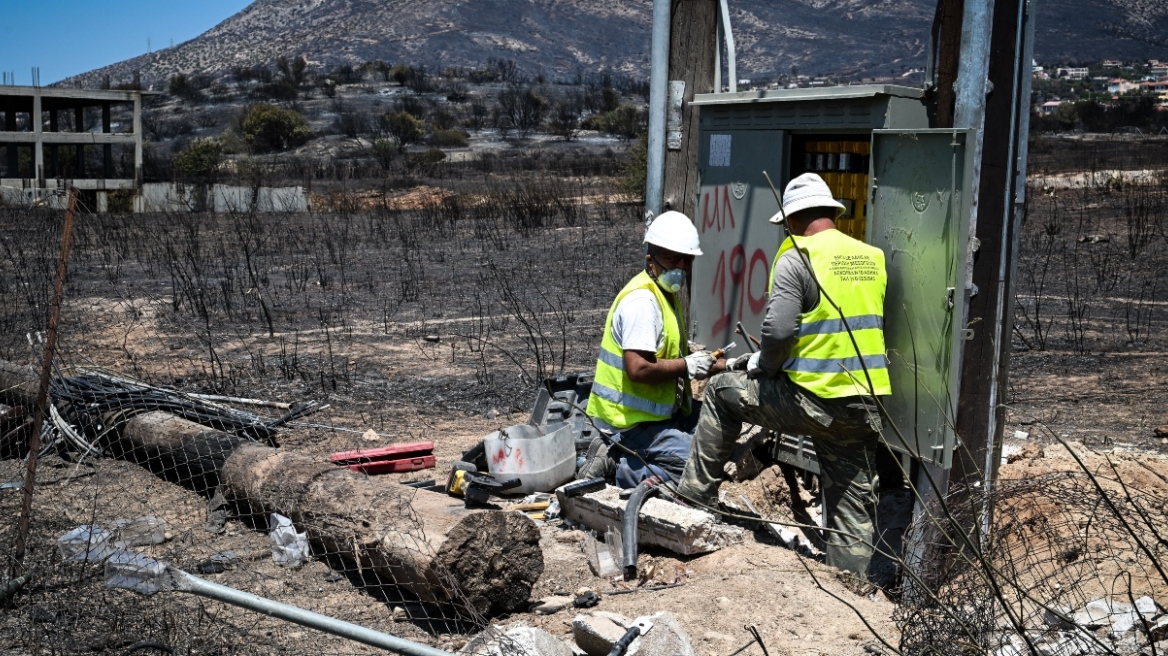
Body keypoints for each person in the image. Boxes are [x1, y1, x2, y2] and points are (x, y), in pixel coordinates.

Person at [675, 173, 891, 577]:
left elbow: (778, 331)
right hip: (866, 403)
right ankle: (851, 589)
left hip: (813, 398)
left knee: (722, 391)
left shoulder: (798, 256)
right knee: (851, 501)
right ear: (830, 212)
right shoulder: (871, 256)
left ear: (794, 217)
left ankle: (693, 499)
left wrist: (765, 364)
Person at [581, 211, 725, 488]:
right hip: (627, 423)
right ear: (651, 260)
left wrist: (730, 365)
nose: (681, 267)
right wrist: (686, 366)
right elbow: (639, 368)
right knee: (699, 468)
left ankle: (631, 458)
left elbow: (684, 359)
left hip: (656, 417)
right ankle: (619, 466)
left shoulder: (665, 296)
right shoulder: (643, 302)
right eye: (672, 259)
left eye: (687, 260)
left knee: (715, 439)